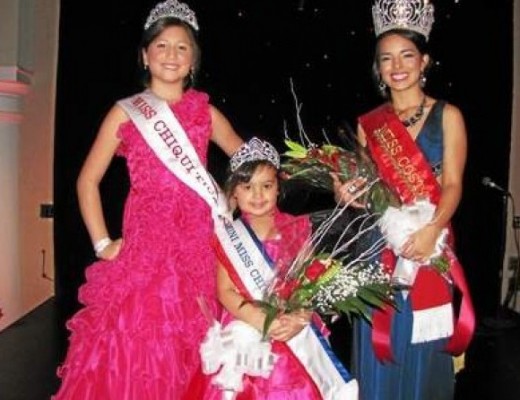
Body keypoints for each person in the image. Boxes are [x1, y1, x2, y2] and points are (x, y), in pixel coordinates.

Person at [52, 1, 243, 398]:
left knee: (197, 348)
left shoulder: (205, 113)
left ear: (193, 60)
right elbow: (87, 180)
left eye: (182, 47)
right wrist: (103, 243)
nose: (171, 55)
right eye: (161, 45)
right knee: (138, 349)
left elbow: (249, 163)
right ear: (144, 55)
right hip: (144, 254)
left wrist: (228, 204)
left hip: (197, 252)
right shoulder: (125, 113)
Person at [333, 1, 475, 399]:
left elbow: (453, 185)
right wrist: (347, 192)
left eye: (407, 55)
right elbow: (368, 190)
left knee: (421, 349)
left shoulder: (448, 115)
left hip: (427, 246)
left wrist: (432, 230)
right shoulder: (369, 124)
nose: (396, 66)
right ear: (377, 67)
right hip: (378, 251)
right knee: (380, 354)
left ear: (424, 61)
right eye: (386, 58)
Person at [188, 137, 359, 399]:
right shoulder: (227, 236)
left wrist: (300, 317)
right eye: (247, 187)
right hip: (246, 328)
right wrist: (262, 321)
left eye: (266, 186)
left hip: (292, 330)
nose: (258, 195)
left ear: (278, 187)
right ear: (234, 192)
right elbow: (225, 291)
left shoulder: (298, 227)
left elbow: (310, 281)